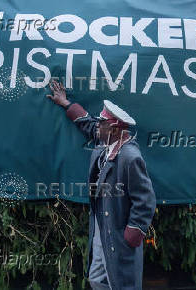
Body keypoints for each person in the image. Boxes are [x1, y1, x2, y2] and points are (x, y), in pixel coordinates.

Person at [47, 80, 156, 290]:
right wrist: (66, 103)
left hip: (118, 230)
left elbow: (146, 200)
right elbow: (87, 124)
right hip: (100, 223)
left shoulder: (130, 157)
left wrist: (131, 234)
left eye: (102, 124)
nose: (97, 126)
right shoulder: (105, 139)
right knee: (97, 277)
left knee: (121, 282)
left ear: (114, 128)